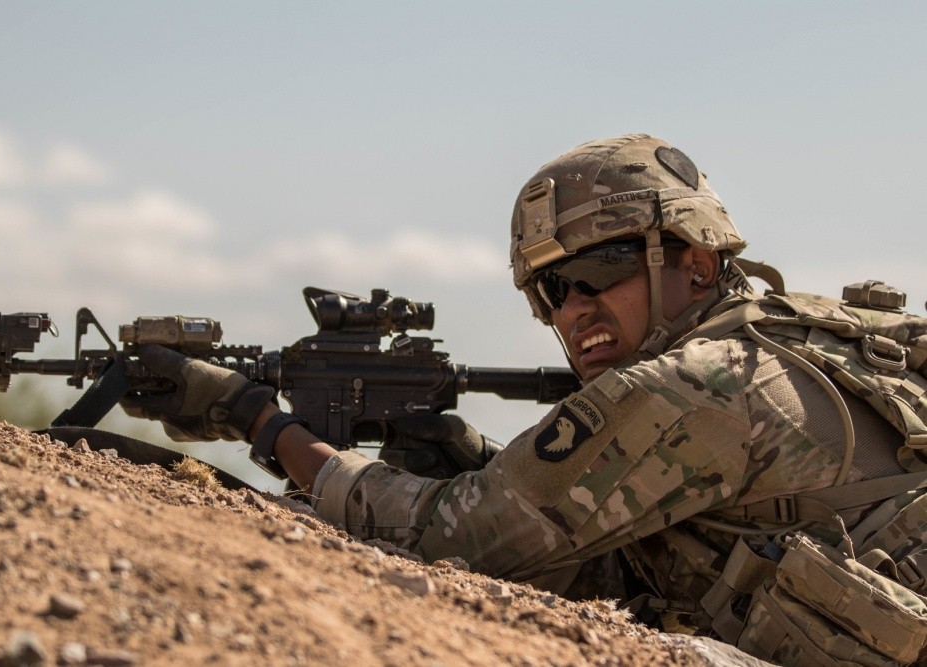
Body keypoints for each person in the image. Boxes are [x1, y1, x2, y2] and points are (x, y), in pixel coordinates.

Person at [122, 135, 927, 665]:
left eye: (600, 269)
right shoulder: (821, 338)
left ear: (695, 262)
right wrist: (479, 461)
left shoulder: (697, 385)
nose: (574, 308)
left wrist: (262, 421)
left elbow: (458, 538)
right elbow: (662, 557)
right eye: (549, 289)